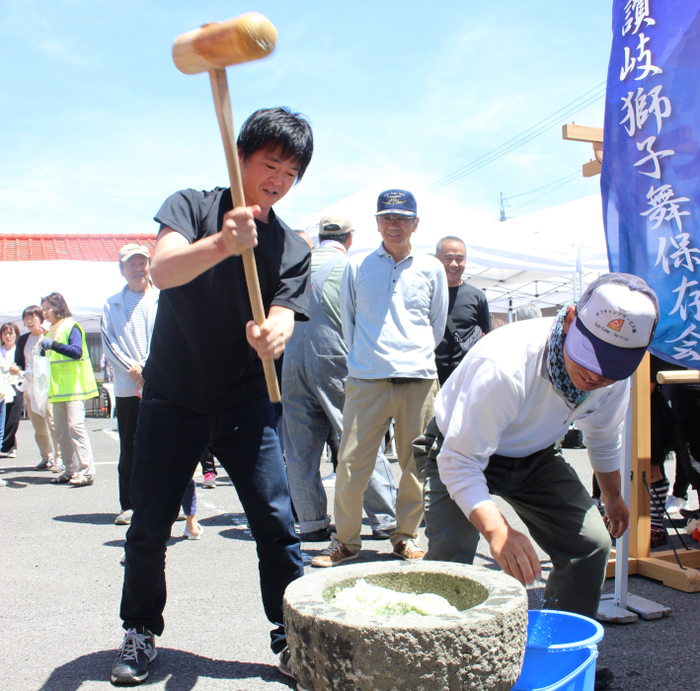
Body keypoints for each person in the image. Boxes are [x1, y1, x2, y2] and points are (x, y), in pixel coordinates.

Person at [110, 107, 313, 686]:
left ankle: (291, 634)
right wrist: (224, 242)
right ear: (241, 156)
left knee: (277, 524)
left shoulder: (291, 247)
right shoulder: (191, 206)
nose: (277, 179)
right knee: (149, 525)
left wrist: (275, 333)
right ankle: (140, 630)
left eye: (290, 172)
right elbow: (165, 270)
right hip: (172, 397)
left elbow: (284, 313)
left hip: (247, 404)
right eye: (269, 163)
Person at [413, 273, 659, 620]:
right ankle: (437, 655)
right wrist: (498, 530)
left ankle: (562, 648)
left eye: (612, 364)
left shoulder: (613, 380)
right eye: (588, 354)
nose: (596, 373)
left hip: (535, 455)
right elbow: (460, 460)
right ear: (571, 319)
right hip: (457, 446)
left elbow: (602, 434)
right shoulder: (507, 364)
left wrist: (613, 496)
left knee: (591, 545)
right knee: (454, 553)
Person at [312, 189, 448, 567]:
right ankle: (344, 542)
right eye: (387, 217)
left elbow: (436, 325)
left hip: (418, 378)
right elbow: (349, 323)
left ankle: (406, 536)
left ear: (415, 223)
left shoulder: (432, 268)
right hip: (366, 378)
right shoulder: (357, 265)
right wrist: (369, 359)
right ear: (376, 222)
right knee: (352, 463)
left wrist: (411, 354)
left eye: (403, 218)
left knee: (415, 465)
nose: (394, 224)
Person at [282, 215, 397, 542]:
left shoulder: (295, 265)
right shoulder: (351, 267)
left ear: (319, 237)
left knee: (300, 445)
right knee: (358, 434)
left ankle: (311, 521)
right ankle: (386, 518)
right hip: (334, 355)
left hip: (291, 359)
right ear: (349, 238)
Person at [101, 243, 159, 525]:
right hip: (128, 387)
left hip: (161, 384)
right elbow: (109, 343)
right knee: (131, 447)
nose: (138, 268)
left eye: (142, 262)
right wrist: (133, 369)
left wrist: (150, 367)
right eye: (131, 264)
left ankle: (164, 503)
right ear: (122, 269)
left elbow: (170, 335)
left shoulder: (163, 298)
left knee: (165, 444)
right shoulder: (111, 304)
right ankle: (130, 504)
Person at [39, 293, 99, 486]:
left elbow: (76, 351)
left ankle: (86, 471)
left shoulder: (71, 326)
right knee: (62, 431)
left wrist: (53, 346)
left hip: (75, 387)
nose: (44, 312)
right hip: (58, 389)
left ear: (58, 308)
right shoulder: (50, 331)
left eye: (47, 307)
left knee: (76, 427)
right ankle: (69, 469)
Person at [434, 236, 491, 385]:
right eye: (448, 258)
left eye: (459, 258)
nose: (454, 264)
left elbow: (488, 336)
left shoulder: (477, 296)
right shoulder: (427, 293)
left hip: (466, 375)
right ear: (436, 260)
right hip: (430, 375)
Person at [15, 306, 62, 470]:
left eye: (32, 318)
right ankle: (46, 457)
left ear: (41, 318)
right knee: (38, 425)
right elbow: (19, 362)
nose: (29, 322)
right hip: (30, 388)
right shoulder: (23, 339)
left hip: (48, 388)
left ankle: (59, 457)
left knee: (53, 422)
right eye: (26, 318)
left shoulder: (48, 336)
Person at [0, 323, 23, 458]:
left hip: (15, 385)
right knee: (2, 417)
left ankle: (10, 446)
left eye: (11, 333)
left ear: (16, 335)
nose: (8, 336)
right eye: (5, 333)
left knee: (13, 417)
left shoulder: (18, 350)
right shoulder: (0, 351)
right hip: (2, 387)